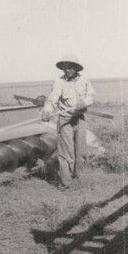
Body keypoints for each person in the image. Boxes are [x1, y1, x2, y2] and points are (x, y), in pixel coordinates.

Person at [41, 54, 95, 190]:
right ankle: (66, 184)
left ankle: (79, 178)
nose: (67, 70)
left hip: (79, 119)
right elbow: (52, 99)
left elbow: (91, 96)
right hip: (65, 120)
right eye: (65, 67)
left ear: (76, 68)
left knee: (81, 151)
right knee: (66, 153)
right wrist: (47, 111)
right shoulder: (59, 82)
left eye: (70, 67)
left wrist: (84, 102)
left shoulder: (85, 80)